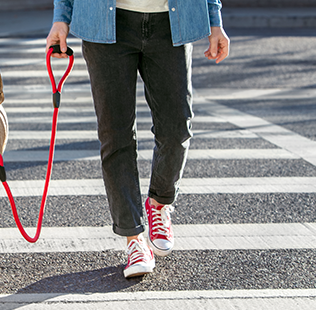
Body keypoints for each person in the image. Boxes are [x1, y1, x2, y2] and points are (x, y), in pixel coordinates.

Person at [46, 0, 229, 278]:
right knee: (115, 134)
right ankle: (134, 239)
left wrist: (214, 19)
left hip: (171, 22)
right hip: (107, 23)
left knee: (176, 127)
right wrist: (62, 17)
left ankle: (158, 203)